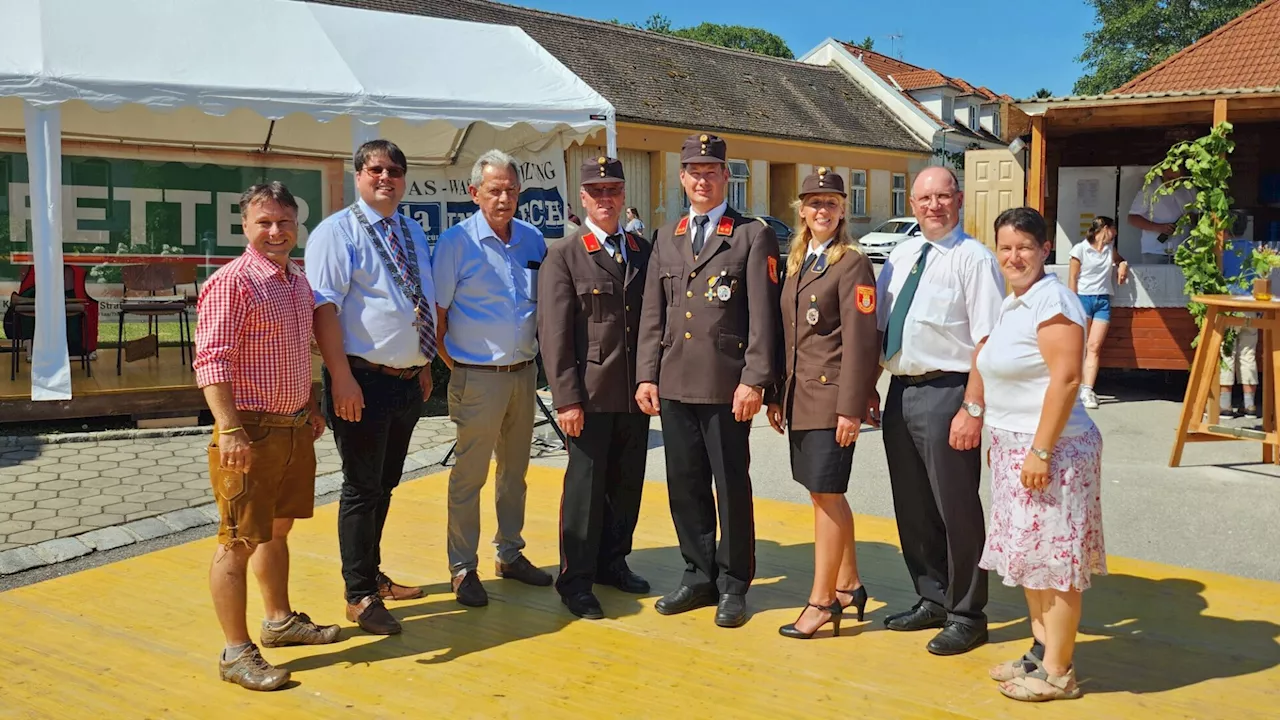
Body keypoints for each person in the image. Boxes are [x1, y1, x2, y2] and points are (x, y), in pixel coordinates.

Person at [194, 182, 340, 691]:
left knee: (276, 530)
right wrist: (230, 428)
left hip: (293, 425)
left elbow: (303, 349)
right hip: (249, 430)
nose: (276, 231)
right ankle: (235, 653)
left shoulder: (296, 279)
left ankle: (278, 622)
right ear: (244, 226)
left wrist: (312, 405)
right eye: (265, 223)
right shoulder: (232, 283)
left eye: (284, 222)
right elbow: (210, 360)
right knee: (237, 540)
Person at [636, 133, 780, 628]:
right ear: (682, 178)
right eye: (693, 171)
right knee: (685, 484)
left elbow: (762, 316)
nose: (702, 179)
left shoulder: (750, 235)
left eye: (711, 171)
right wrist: (645, 376)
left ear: (725, 176)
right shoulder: (667, 236)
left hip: (725, 384)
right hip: (674, 381)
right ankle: (697, 574)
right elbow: (653, 315)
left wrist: (755, 379)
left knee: (730, 485)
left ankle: (734, 581)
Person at [306, 139, 437, 637]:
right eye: (376, 169)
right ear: (358, 175)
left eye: (395, 170)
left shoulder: (410, 230)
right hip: (359, 380)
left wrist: (423, 363)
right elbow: (324, 310)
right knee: (361, 488)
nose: (387, 178)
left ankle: (373, 576)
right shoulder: (337, 232)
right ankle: (358, 595)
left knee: (385, 485)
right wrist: (340, 377)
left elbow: (414, 299)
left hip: (405, 381)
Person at [872, 166, 1004, 655]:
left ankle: (968, 612)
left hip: (949, 392)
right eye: (924, 198)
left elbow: (987, 341)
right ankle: (931, 596)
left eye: (943, 196)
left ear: (960, 199)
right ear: (912, 204)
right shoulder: (900, 256)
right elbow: (884, 329)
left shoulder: (975, 259)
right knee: (912, 504)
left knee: (956, 508)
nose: (933, 206)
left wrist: (973, 407)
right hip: (900, 390)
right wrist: (871, 385)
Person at [976, 207, 1106, 702]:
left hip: (1055, 452)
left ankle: (1058, 671)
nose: (1014, 256)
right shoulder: (1017, 301)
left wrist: (1040, 450)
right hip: (1017, 447)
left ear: (1045, 250)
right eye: (1006, 247)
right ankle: (1039, 651)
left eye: (1025, 247)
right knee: (1030, 559)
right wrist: (1003, 442)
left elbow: (1068, 378)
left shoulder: (1054, 301)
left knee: (1055, 562)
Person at [433, 149, 553, 607]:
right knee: (470, 476)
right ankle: (463, 568)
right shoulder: (455, 243)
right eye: (494, 190)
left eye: (510, 190)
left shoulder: (531, 240)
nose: (503, 198)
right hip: (477, 378)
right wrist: (461, 369)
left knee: (515, 474)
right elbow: (437, 321)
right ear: (474, 193)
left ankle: (509, 553)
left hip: (524, 375)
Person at [764, 168, 879, 639]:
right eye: (814, 203)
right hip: (800, 397)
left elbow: (862, 341)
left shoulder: (851, 262)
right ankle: (849, 584)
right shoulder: (800, 259)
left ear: (842, 209)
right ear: (802, 210)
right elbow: (787, 336)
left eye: (831, 202)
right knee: (823, 492)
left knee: (826, 495)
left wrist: (851, 408)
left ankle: (822, 600)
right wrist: (776, 394)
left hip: (832, 399)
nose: (822, 211)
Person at [538, 156, 652, 619]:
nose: (606, 199)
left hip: (634, 394)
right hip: (587, 393)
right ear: (582, 198)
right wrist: (565, 398)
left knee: (627, 485)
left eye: (613, 191)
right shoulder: (564, 254)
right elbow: (555, 334)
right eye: (597, 191)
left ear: (624, 196)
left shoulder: (643, 250)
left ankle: (613, 562)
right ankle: (576, 580)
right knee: (585, 490)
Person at [1067, 216, 1129, 409]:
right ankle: (1072, 387)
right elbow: (1073, 278)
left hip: (1102, 300)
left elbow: (1120, 260)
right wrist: (1073, 303)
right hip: (1083, 299)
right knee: (1079, 346)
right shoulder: (1080, 249)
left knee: (1094, 346)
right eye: (1113, 229)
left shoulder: (1110, 249)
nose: (1116, 233)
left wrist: (1122, 266)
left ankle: (1087, 390)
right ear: (1104, 228)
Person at [1219, 210, 1259, 419]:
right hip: (1251, 306)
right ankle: (1250, 404)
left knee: (1227, 352)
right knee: (1248, 353)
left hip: (1229, 304)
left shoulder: (1222, 251)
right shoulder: (1254, 250)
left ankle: (1225, 405)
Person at [1128, 167, 1196, 265]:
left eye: (1178, 179)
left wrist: (1191, 218)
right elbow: (1133, 218)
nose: (1174, 183)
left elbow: (1201, 215)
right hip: (1155, 250)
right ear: (1162, 174)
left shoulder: (1189, 189)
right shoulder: (1150, 190)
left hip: (1183, 250)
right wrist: (1159, 227)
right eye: (1170, 178)